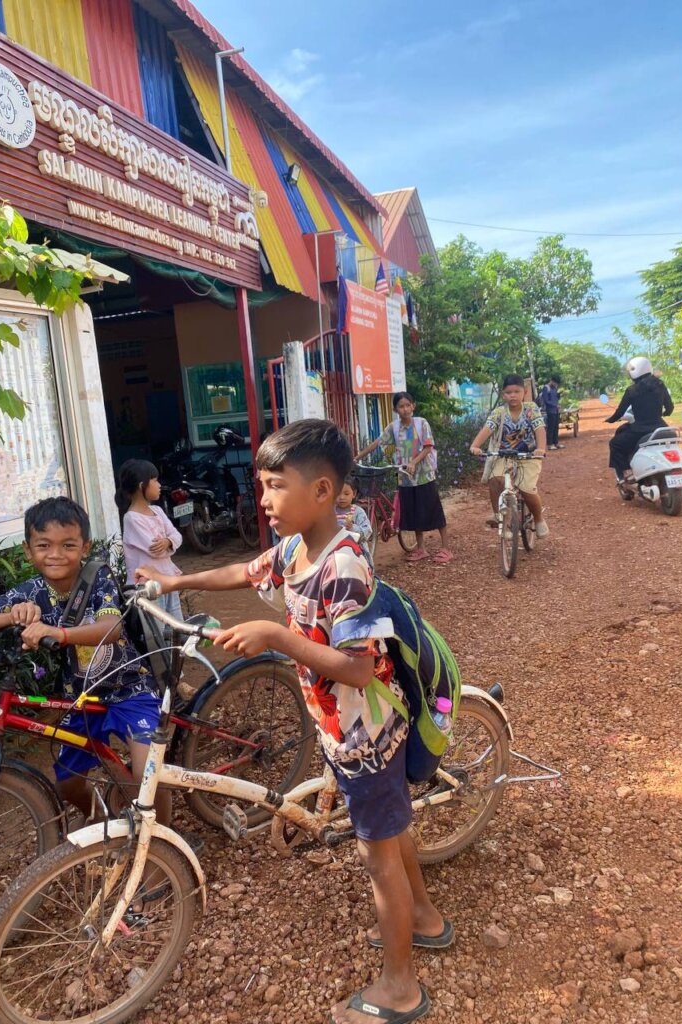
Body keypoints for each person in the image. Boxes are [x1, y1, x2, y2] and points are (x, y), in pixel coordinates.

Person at [136, 419, 450, 1024]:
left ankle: (401, 987)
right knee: (392, 831)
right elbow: (244, 572)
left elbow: (358, 669)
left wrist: (278, 636)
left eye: (276, 486)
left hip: (367, 737)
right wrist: (177, 580)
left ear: (324, 491)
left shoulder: (345, 566)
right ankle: (426, 919)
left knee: (378, 856)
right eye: (262, 485)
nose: (264, 500)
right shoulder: (294, 549)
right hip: (339, 729)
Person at [0, 496, 171, 828]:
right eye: (43, 545)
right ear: (28, 549)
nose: (55, 554)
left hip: (131, 688)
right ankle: (104, 820)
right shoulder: (30, 591)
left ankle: (162, 845)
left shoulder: (97, 577)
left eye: (68, 545)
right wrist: (11, 615)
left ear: (84, 547)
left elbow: (109, 628)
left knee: (148, 776)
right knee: (68, 785)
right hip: (80, 697)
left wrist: (57, 632)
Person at [356, 392, 452, 565]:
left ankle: (446, 548)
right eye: (401, 406)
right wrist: (357, 457)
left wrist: (414, 462)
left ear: (413, 406)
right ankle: (420, 548)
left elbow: (428, 447)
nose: (405, 409)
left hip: (424, 476)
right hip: (405, 478)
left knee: (434, 510)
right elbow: (379, 442)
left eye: (408, 405)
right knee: (414, 512)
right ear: (395, 409)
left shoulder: (421, 423)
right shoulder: (394, 427)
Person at [470, 373, 549, 538]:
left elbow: (539, 429)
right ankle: (499, 517)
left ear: (524, 392)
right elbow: (488, 428)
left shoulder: (531, 409)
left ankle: (539, 519)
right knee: (495, 479)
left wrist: (540, 448)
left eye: (516, 391)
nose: (512, 395)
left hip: (528, 456)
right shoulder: (499, 412)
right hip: (503, 455)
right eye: (508, 392)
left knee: (526, 488)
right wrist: (475, 445)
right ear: (502, 394)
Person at [116, 459, 183, 631]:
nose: (159, 485)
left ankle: (174, 658)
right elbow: (156, 552)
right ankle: (162, 659)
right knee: (156, 633)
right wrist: (170, 542)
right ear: (141, 485)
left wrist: (168, 541)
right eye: (155, 480)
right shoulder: (131, 518)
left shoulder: (158, 511)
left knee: (176, 627)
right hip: (147, 587)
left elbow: (177, 536)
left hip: (168, 581)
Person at [606, 357, 674, 485]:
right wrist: (665, 413)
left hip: (640, 429)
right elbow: (670, 407)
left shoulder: (632, 390)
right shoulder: (660, 385)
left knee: (615, 444)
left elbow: (620, 412)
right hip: (661, 427)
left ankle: (626, 473)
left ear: (634, 371)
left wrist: (611, 420)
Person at [335, 477, 374, 569]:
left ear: (354, 494)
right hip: (335, 551)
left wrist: (353, 528)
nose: (342, 497)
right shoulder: (330, 511)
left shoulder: (358, 512)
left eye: (346, 493)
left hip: (356, 552)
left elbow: (367, 530)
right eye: (338, 493)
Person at [539, 374, 564, 451]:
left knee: (556, 427)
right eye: (555, 383)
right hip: (550, 411)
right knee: (550, 427)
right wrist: (554, 405)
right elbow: (546, 401)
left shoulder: (555, 388)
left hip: (556, 411)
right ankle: (550, 444)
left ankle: (556, 442)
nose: (556, 385)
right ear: (552, 381)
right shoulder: (546, 388)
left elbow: (555, 397)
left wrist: (559, 395)